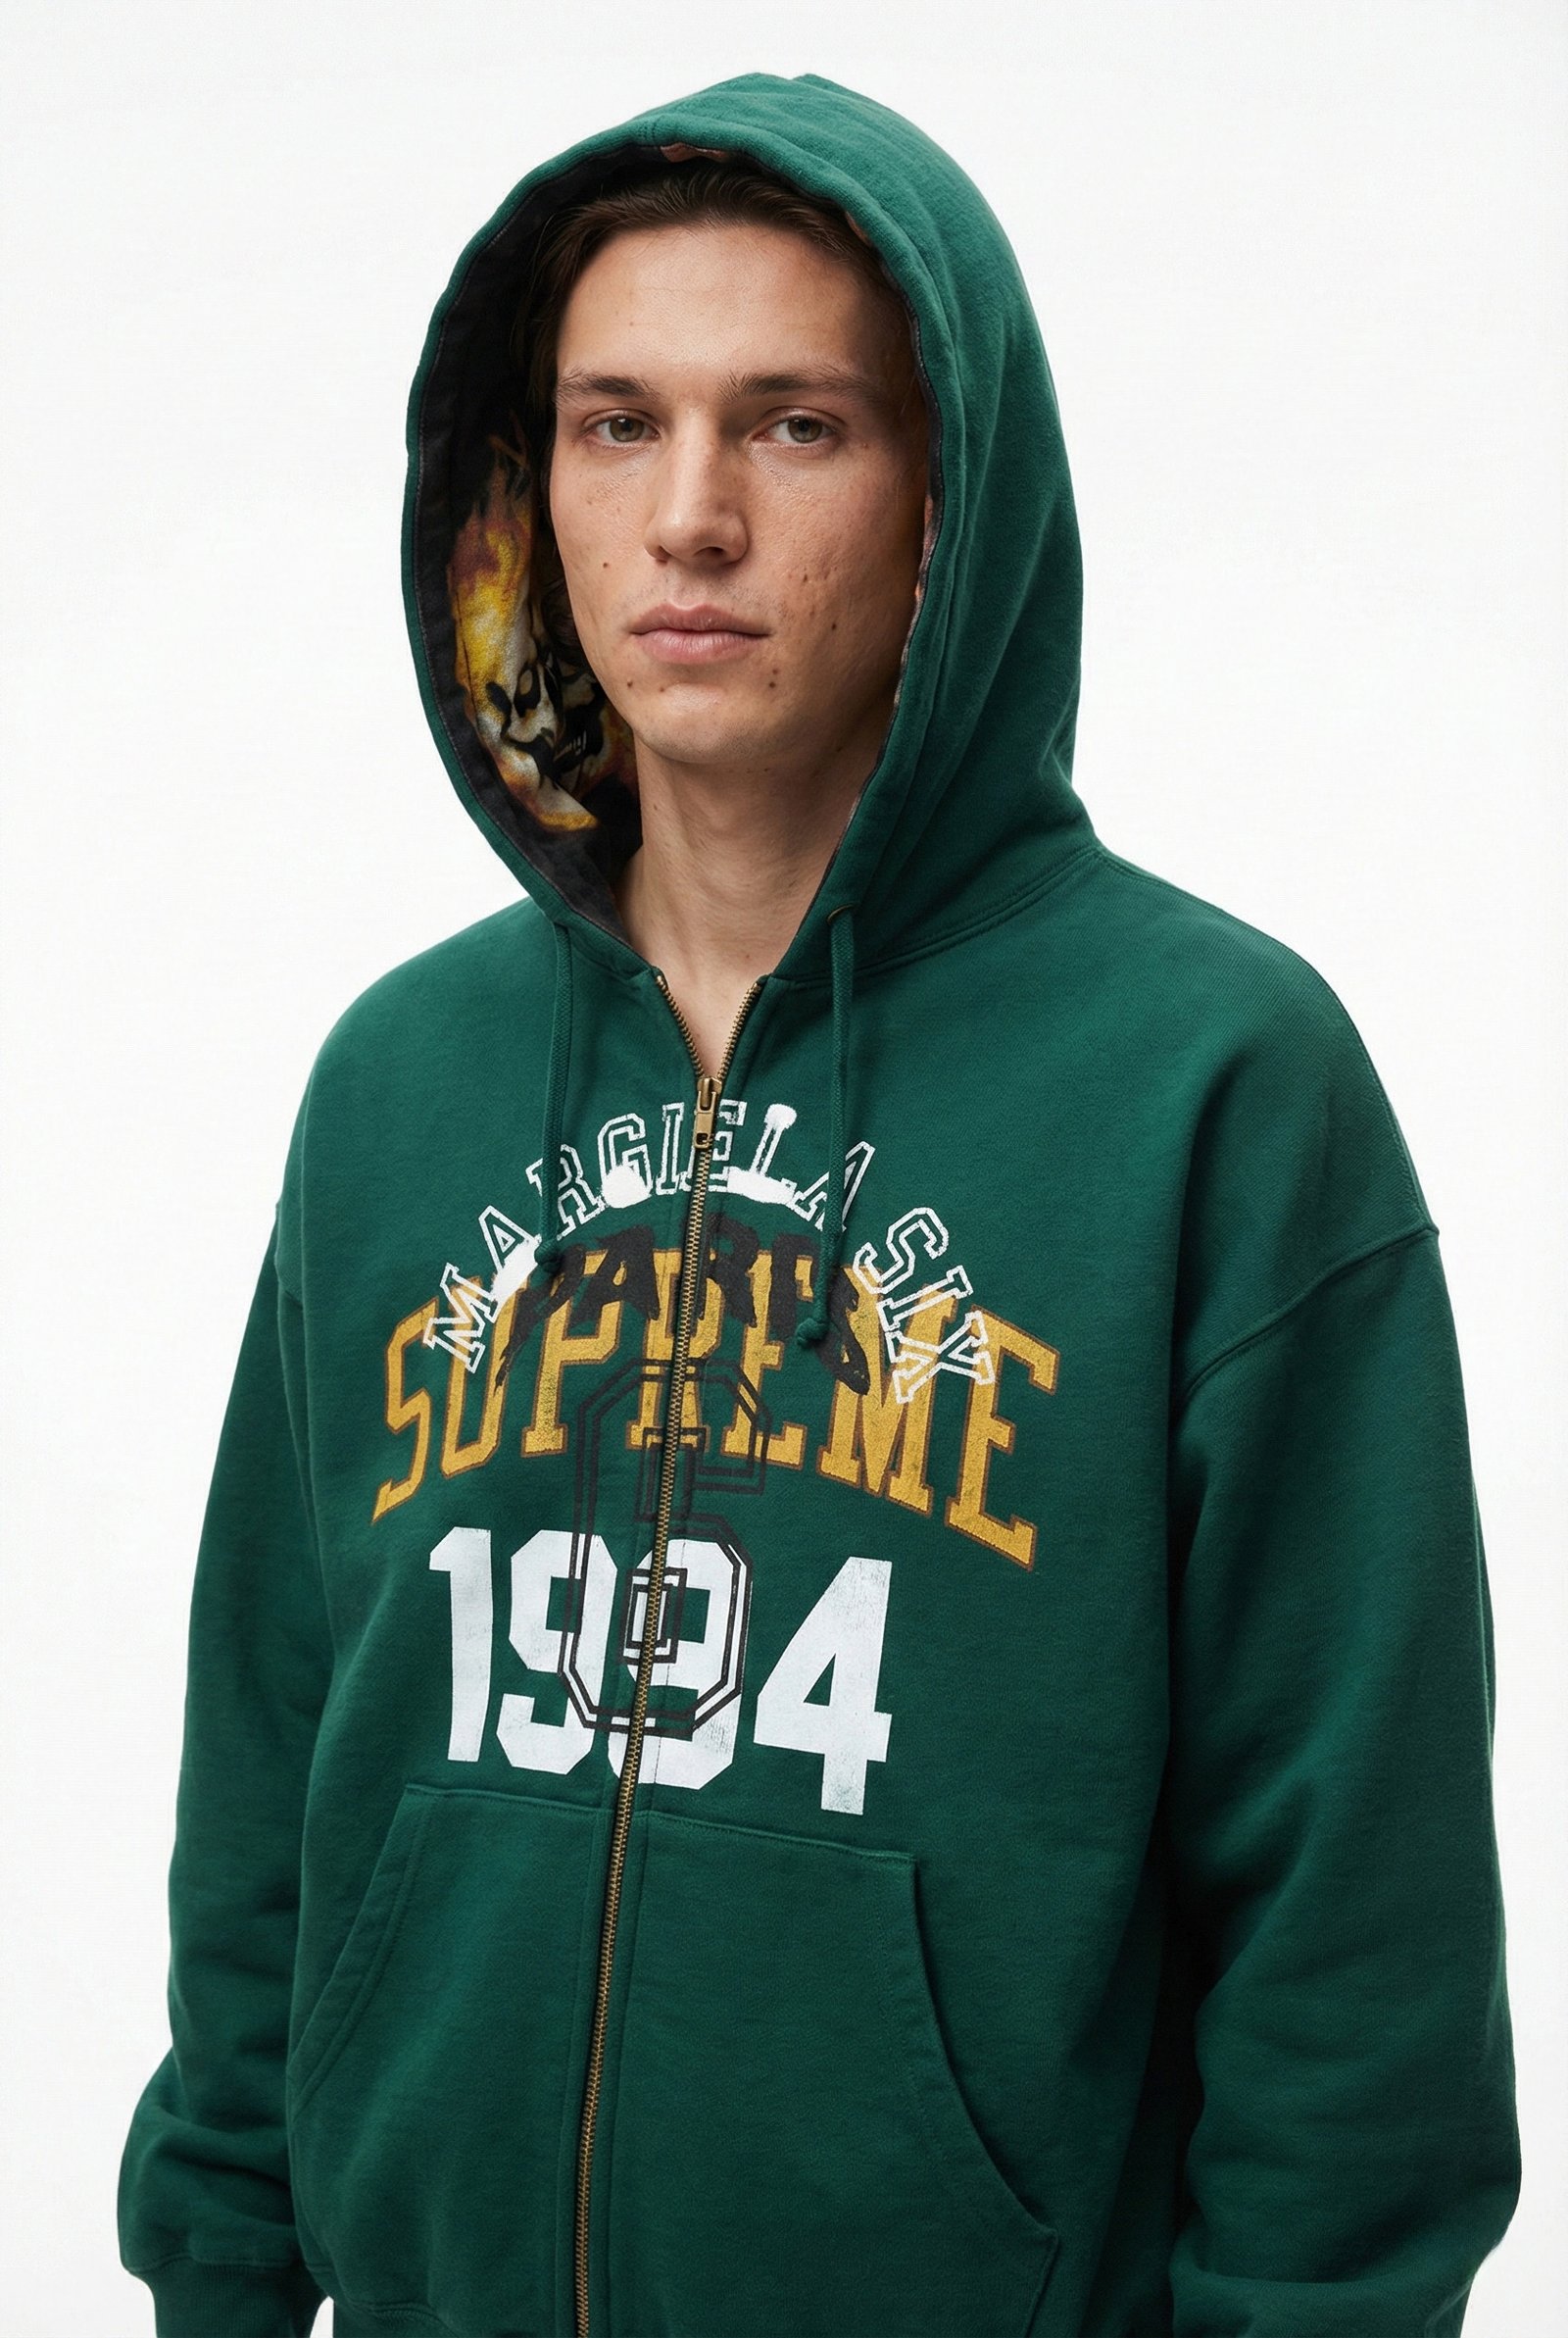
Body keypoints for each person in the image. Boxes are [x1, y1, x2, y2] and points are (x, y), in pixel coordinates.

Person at [117, 70, 1520, 2338]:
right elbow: (270, 1784)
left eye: (791, 425)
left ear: (949, 496)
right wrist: (215, 2272)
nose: (688, 515)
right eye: (614, 424)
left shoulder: (1208, 1086)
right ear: (520, 493)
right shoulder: (398, 1083)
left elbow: (1347, 1926)